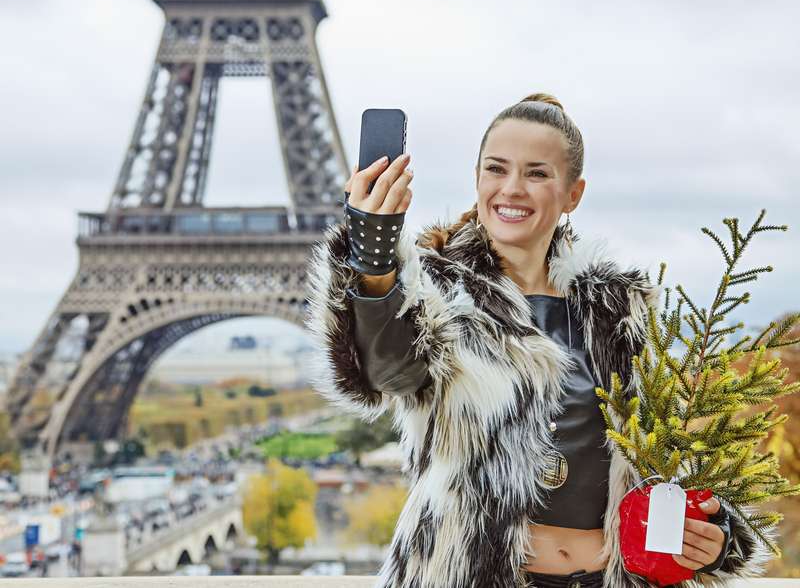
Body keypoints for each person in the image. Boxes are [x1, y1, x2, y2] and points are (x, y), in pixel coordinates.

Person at [304, 93, 773, 588]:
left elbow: (672, 457)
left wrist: (716, 536)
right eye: (496, 169)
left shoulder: (620, 311)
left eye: (537, 173)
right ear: (478, 180)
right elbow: (387, 372)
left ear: (573, 194)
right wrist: (375, 266)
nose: (512, 189)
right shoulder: (434, 295)